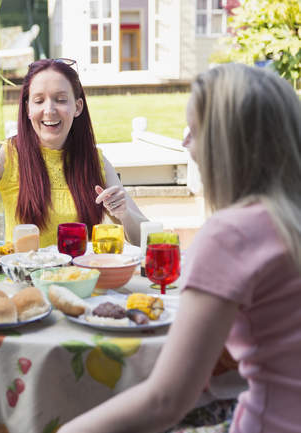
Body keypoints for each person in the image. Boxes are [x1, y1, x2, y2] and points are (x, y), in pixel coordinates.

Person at [60, 63, 301, 433]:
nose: (185, 141)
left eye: (195, 128)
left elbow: (164, 402)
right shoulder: (286, 222)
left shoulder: (231, 236)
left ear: (228, 142)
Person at [0, 58, 147, 247]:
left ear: (77, 106)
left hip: (79, 279)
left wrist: (124, 214)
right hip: (18, 280)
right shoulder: (6, 155)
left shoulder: (93, 160)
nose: (49, 110)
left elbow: (143, 237)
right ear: (28, 108)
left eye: (61, 99)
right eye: (39, 101)